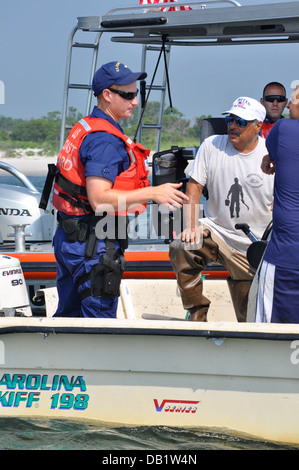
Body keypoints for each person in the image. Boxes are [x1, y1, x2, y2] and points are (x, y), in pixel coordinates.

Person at [51, 61, 188, 318]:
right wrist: (153, 193)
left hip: (70, 238)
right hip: (92, 244)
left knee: (69, 320)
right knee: (99, 325)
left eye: (137, 94)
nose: (134, 102)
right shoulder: (105, 140)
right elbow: (99, 198)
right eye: (128, 95)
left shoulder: (87, 125)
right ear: (107, 95)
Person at [169, 96, 274, 322]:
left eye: (240, 122)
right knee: (182, 246)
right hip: (218, 232)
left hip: (255, 245)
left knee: (250, 322)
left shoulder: (271, 154)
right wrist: (192, 226)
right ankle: (196, 315)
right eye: (230, 120)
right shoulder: (212, 145)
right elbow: (194, 187)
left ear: (258, 126)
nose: (232, 126)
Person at [256, 85, 299, 323]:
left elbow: (270, 156)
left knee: (273, 337)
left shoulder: (283, 128)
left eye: (290, 101)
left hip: (287, 260)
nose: (287, 106)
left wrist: (270, 159)